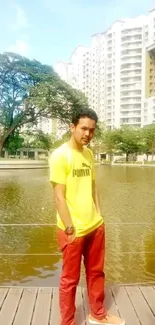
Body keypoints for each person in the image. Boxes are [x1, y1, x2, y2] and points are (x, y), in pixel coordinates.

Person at [49, 108, 125, 325]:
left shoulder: (89, 154)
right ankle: (68, 322)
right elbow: (59, 197)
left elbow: (93, 188)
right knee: (69, 280)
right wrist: (70, 228)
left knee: (97, 273)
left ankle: (97, 314)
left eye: (91, 130)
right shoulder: (60, 156)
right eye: (83, 128)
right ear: (72, 127)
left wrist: (99, 216)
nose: (87, 134)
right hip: (72, 231)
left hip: (95, 226)